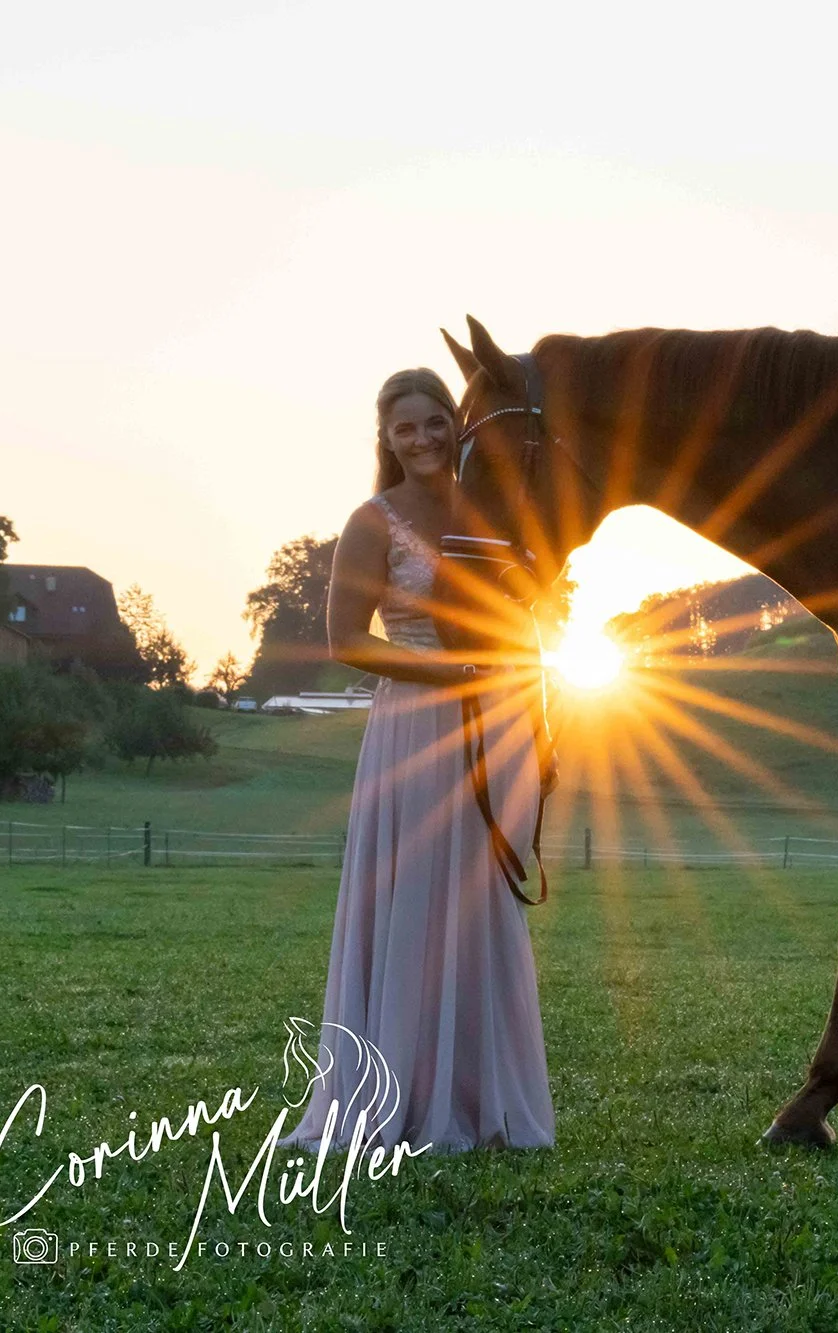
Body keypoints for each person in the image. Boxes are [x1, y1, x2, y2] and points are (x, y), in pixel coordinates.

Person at [283, 367, 554, 1153]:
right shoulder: (373, 521)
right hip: (415, 727)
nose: (424, 439)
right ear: (387, 438)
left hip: (499, 722)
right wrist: (449, 671)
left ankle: (482, 1098)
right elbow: (345, 640)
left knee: (480, 902)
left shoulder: (495, 514)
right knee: (415, 901)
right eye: (406, 428)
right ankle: (395, 1092)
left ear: (456, 426)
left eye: (436, 422)